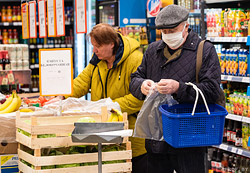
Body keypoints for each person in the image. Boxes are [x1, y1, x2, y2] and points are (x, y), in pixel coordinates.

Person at [129, 4, 221, 173]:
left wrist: (179, 88)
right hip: (156, 138)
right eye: (164, 32)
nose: (168, 36)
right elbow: (134, 79)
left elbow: (212, 90)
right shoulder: (152, 51)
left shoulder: (204, 50)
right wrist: (141, 86)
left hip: (189, 139)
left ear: (186, 26)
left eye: (173, 31)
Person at [69, 23, 147, 172]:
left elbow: (140, 97)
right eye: (93, 46)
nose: (94, 50)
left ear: (111, 44)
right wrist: (60, 95)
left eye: (97, 46)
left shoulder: (135, 60)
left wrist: (112, 106)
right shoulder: (97, 61)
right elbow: (81, 82)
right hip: (104, 137)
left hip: (132, 138)